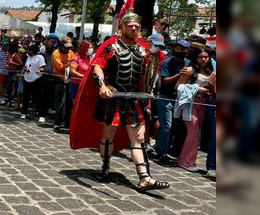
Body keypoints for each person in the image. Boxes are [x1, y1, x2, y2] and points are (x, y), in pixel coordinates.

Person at [70, 13, 169, 191]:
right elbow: (98, 66)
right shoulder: (111, 46)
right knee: (108, 137)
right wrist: (102, 85)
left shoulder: (143, 49)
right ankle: (105, 168)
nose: (133, 28)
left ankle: (145, 178)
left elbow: (152, 68)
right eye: (130, 25)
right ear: (123, 26)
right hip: (113, 98)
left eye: (136, 26)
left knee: (138, 138)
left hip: (134, 99)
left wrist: (155, 55)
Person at [152, 40, 192, 161]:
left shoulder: (189, 62)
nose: (179, 51)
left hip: (180, 98)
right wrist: (179, 74)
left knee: (175, 126)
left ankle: (166, 148)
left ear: (187, 50)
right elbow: (165, 80)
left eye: (183, 49)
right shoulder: (167, 62)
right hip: (165, 96)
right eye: (178, 48)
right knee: (167, 125)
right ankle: (161, 151)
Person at [175, 49, 215, 171]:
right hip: (190, 103)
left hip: (204, 104)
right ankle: (185, 161)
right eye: (200, 57)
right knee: (193, 132)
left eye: (206, 57)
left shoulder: (210, 71)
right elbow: (178, 87)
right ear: (195, 58)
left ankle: (190, 160)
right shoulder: (189, 70)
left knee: (197, 133)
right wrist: (197, 88)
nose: (203, 59)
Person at [51, 37, 76, 131]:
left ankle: (67, 123)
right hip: (59, 79)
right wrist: (69, 63)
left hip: (69, 78)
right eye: (66, 47)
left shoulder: (70, 52)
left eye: (69, 48)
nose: (68, 49)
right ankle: (57, 123)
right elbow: (60, 67)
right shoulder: (55, 53)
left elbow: (74, 62)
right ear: (61, 45)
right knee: (60, 102)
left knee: (69, 102)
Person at [20, 44, 45, 120]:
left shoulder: (40, 57)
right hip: (27, 78)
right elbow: (26, 66)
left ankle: (40, 114)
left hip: (36, 79)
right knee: (25, 97)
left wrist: (40, 70)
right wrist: (25, 69)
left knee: (38, 97)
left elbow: (42, 67)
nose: (28, 51)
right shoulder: (28, 57)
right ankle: (24, 112)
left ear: (33, 51)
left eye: (29, 50)